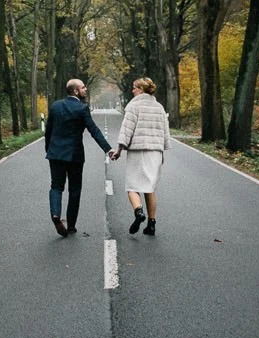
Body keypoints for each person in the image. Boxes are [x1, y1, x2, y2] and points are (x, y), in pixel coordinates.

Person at [44, 78, 113, 237]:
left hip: (55, 154)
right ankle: (71, 226)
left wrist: (49, 150)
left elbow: (48, 131)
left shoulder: (55, 106)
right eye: (83, 87)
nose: (85, 89)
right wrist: (108, 149)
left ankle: (55, 214)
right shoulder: (82, 109)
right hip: (75, 156)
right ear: (75, 91)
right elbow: (93, 131)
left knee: (56, 186)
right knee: (74, 190)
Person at [108, 76, 170, 236]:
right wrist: (162, 151)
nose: (132, 90)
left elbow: (126, 130)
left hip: (138, 151)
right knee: (150, 188)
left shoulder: (133, 106)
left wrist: (120, 149)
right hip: (155, 151)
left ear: (141, 89)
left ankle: (138, 211)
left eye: (135, 87)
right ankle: (151, 224)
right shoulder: (159, 107)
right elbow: (165, 132)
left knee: (133, 186)